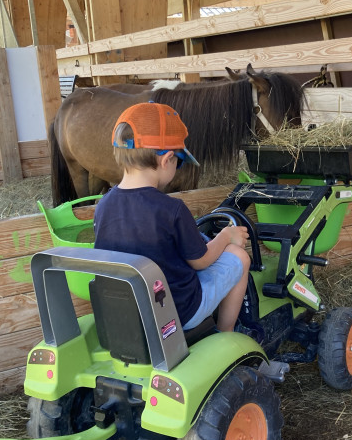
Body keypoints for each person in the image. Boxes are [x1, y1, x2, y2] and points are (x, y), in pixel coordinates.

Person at [93, 101, 250, 333]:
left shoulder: (103, 206)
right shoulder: (171, 209)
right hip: (179, 312)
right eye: (179, 161)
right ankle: (226, 335)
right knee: (240, 257)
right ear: (167, 160)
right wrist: (227, 235)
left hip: (128, 313)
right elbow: (202, 260)